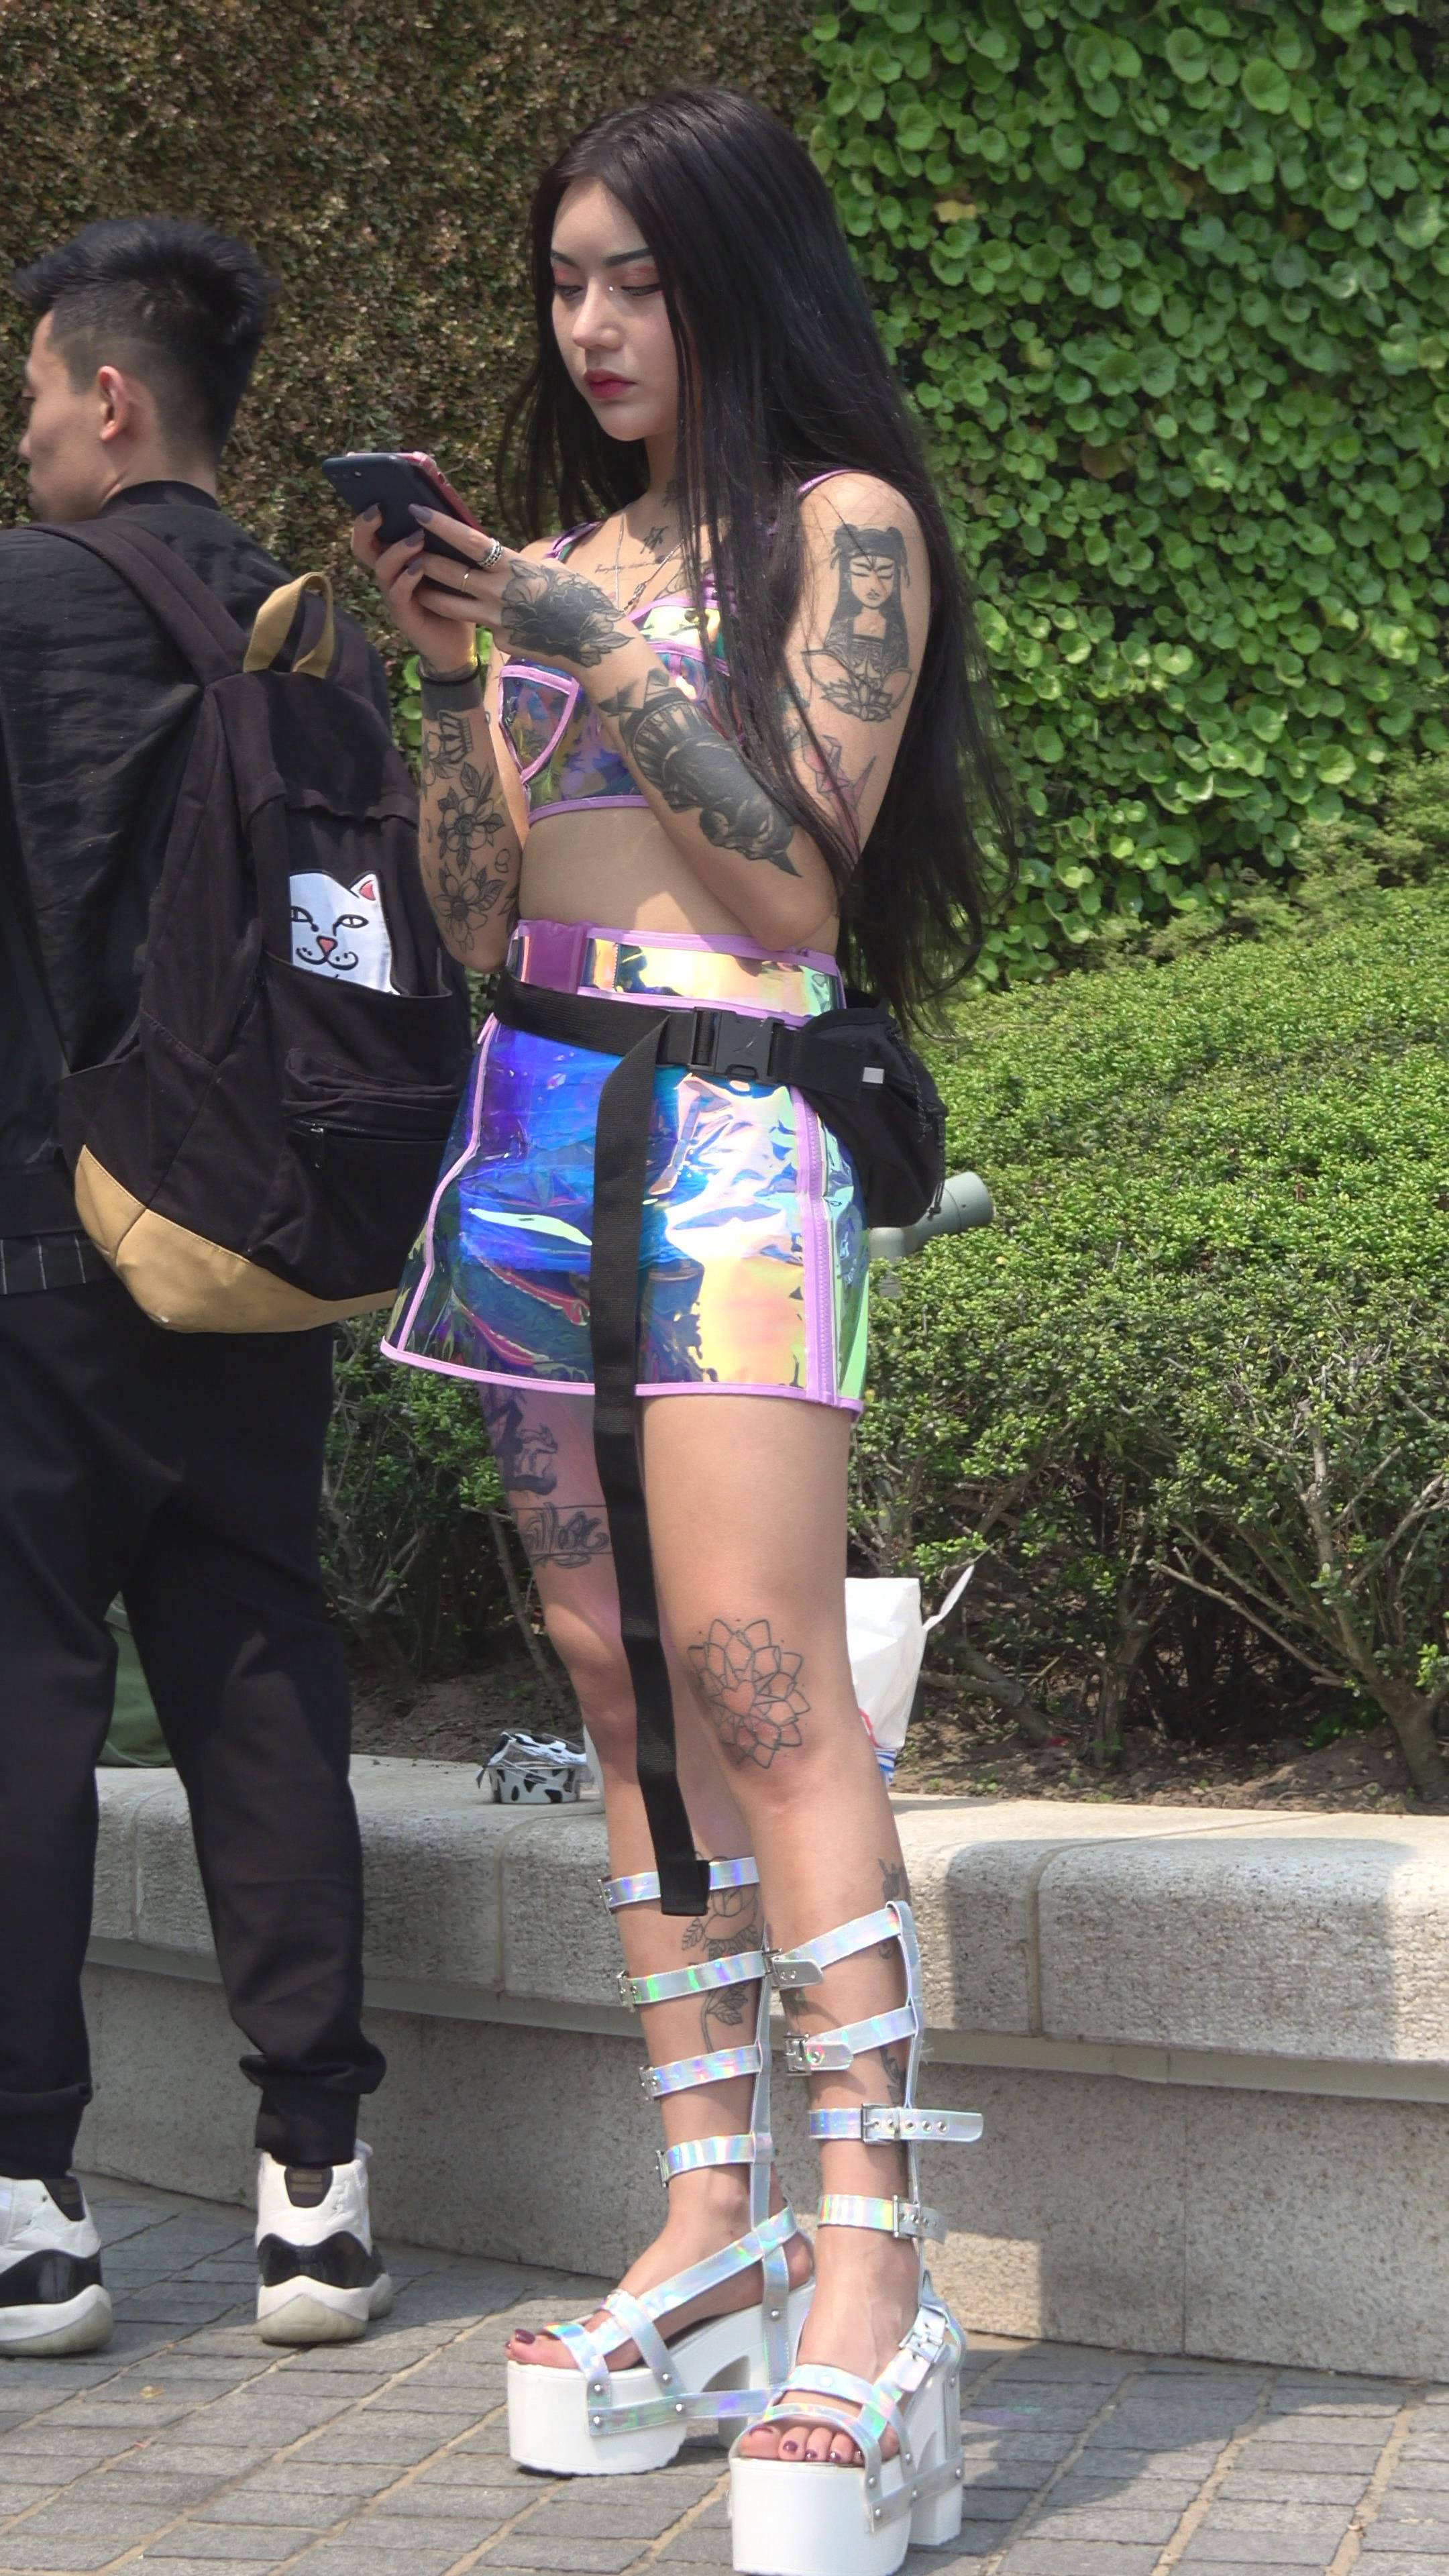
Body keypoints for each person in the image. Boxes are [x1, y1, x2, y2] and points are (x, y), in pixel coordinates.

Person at [356, 87, 1011, 2574]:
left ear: (739, 277)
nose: (595, 325)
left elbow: (795, 877)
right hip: (534, 1121)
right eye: (566, 283)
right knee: (613, 1681)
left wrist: (601, 651)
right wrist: (459, 674)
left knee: (761, 1671)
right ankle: (707, 2225)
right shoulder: (554, 572)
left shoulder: (843, 530)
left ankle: (874, 2278)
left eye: (638, 276)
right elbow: (468, 910)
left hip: (738, 1126)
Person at [0, 217, 392, 2359]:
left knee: (25, 1699)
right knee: (259, 1676)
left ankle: (33, 2215)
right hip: (254, 1242)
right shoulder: (308, 628)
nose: (27, 435)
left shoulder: (25, 600)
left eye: (33, 395)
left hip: (40, 1247)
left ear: (107, 392)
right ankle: (315, 2194)